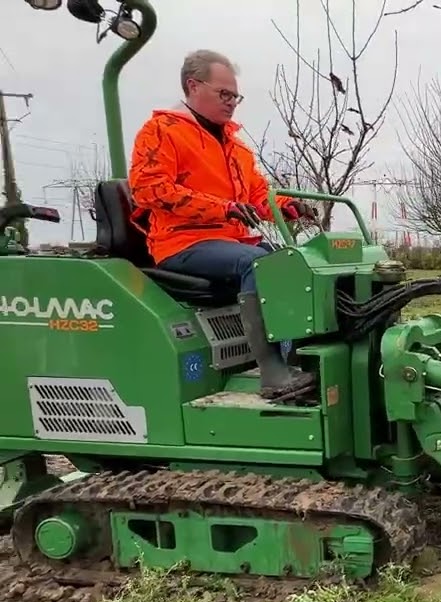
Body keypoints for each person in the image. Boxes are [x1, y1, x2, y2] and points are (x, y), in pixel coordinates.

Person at [128, 49, 316, 399]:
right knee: (256, 263)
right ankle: (273, 373)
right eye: (224, 94)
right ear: (193, 86)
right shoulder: (161, 132)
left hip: (229, 242)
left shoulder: (235, 146)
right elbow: (150, 189)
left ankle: (295, 359)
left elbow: (258, 195)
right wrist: (222, 208)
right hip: (180, 244)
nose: (232, 103)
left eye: (235, 96)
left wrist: (291, 206)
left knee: (291, 262)